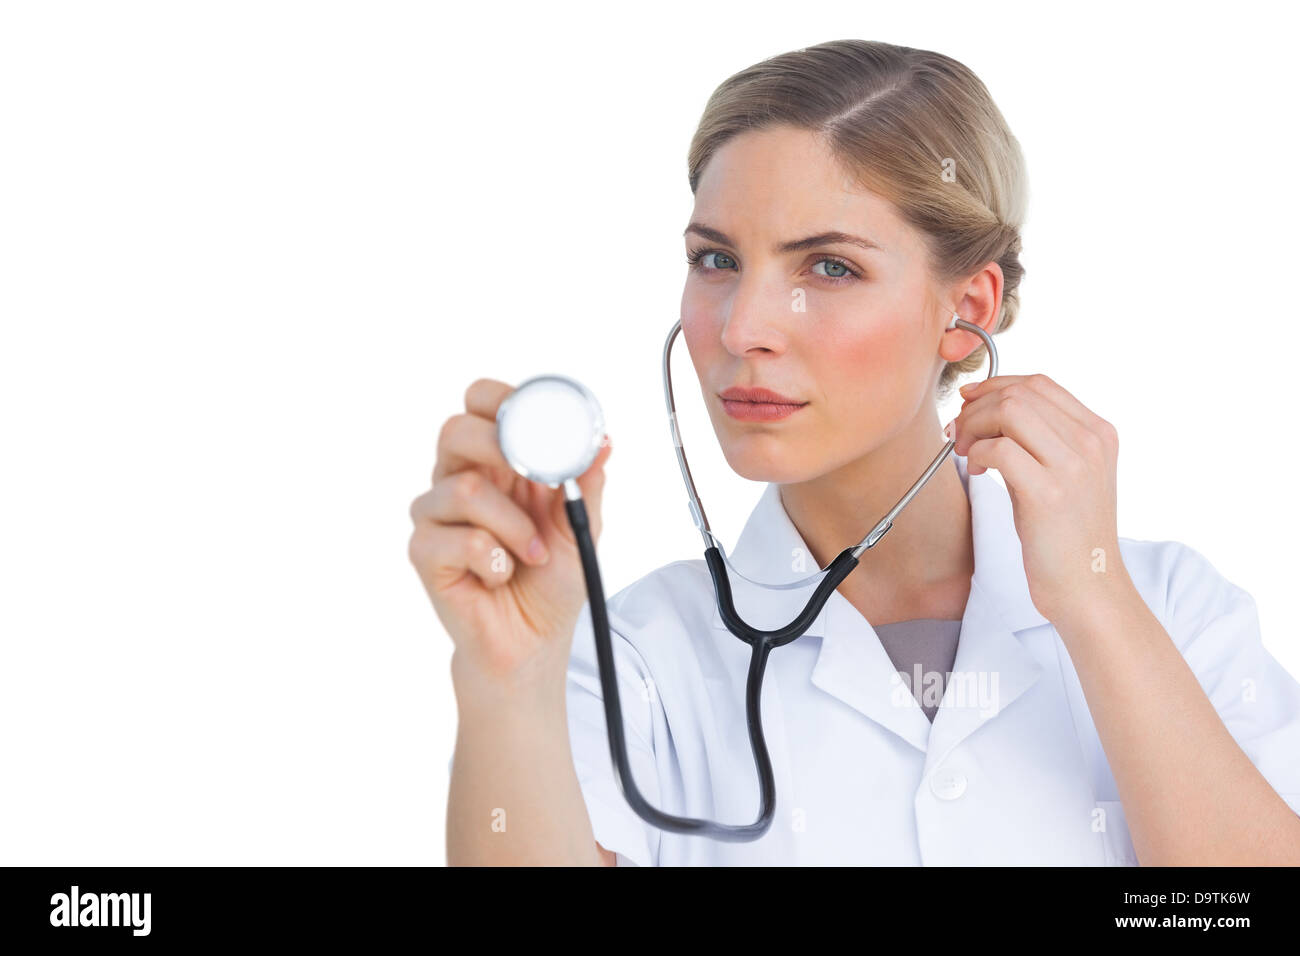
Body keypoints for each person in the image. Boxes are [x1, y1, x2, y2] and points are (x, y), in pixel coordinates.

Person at [409, 38, 1300, 866]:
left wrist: (1096, 601)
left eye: (828, 267)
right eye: (716, 259)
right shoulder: (630, 659)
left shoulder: (1171, 611)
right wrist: (506, 685)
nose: (744, 327)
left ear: (969, 311)